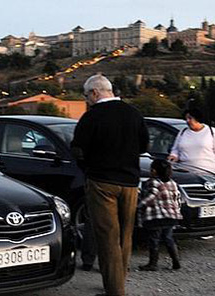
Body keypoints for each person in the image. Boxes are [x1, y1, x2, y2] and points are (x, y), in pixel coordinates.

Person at [71, 74, 149, 296]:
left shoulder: (91, 116)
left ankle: (115, 290)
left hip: (102, 182)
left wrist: (87, 168)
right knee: (126, 235)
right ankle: (119, 280)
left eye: (87, 95)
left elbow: (78, 149)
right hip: (130, 183)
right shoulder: (134, 113)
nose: (87, 100)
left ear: (95, 93)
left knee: (107, 237)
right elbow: (144, 145)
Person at [137, 159, 182, 271]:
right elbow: (177, 198)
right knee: (168, 238)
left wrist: (139, 205)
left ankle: (153, 263)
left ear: (154, 171)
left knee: (154, 239)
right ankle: (176, 261)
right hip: (171, 216)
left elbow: (152, 196)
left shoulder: (153, 182)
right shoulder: (173, 183)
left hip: (157, 216)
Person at [168, 108, 215, 179]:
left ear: (197, 118)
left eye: (190, 118)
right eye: (186, 118)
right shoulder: (182, 132)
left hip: (208, 172)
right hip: (185, 172)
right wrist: (174, 155)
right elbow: (175, 149)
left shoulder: (212, 132)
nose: (187, 121)